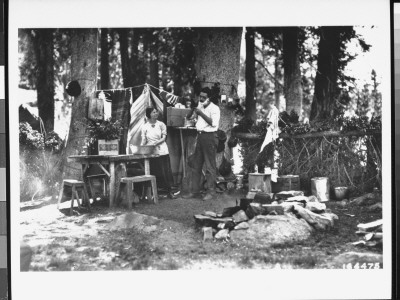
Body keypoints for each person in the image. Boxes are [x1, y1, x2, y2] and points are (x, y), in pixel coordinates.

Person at [183, 88, 221, 201]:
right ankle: (195, 191)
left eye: (204, 97)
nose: (201, 98)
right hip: (200, 136)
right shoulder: (199, 105)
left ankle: (211, 192)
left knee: (210, 166)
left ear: (209, 97)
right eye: (200, 96)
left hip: (210, 137)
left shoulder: (215, 108)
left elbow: (213, 123)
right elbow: (189, 117)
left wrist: (201, 113)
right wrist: (193, 108)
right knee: (196, 164)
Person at [141, 107, 176, 199]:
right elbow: (144, 140)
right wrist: (141, 148)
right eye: (154, 112)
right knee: (154, 171)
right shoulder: (145, 126)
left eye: (156, 112)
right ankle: (153, 193)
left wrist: (155, 143)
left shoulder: (161, 124)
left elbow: (164, 138)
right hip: (151, 152)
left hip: (162, 150)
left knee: (165, 171)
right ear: (149, 114)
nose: (156, 114)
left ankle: (170, 192)